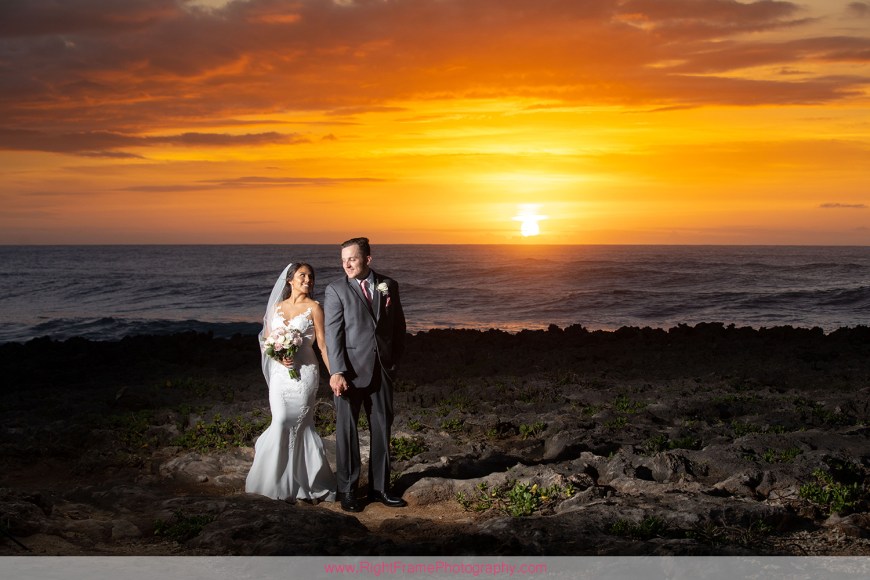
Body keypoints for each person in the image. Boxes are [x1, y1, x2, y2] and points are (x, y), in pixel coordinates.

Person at [325, 237, 407, 512]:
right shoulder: (335, 290)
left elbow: (398, 327)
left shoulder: (388, 285)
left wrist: (392, 362)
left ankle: (380, 489)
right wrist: (336, 371)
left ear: (367, 259)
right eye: (343, 259)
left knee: (382, 429)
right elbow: (333, 335)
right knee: (347, 432)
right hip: (348, 372)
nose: (346, 264)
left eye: (353, 258)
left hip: (382, 370)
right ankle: (347, 490)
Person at [245, 262, 336, 503]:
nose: (308, 280)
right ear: (289, 280)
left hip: (305, 372)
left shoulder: (315, 308)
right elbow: (266, 341)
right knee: (281, 420)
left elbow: (323, 345)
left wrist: (335, 374)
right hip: (280, 375)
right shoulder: (276, 308)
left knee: (301, 423)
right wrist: (278, 355)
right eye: (302, 275)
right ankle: (273, 482)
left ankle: (307, 482)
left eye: (311, 276)